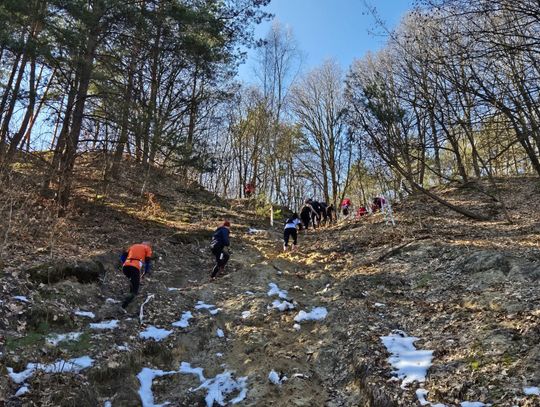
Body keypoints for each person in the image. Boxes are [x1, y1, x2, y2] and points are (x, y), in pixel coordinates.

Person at [120, 241, 153, 309]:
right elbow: (147, 261)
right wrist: (145, 272)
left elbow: (122, 257)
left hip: (125, 267)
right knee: (135, 290)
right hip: (134, 268)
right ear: (148, 245)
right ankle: (123, 307)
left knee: (132, 281)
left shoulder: (133, 246)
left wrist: (125, 263)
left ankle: (129, 294)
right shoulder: (147, 248)